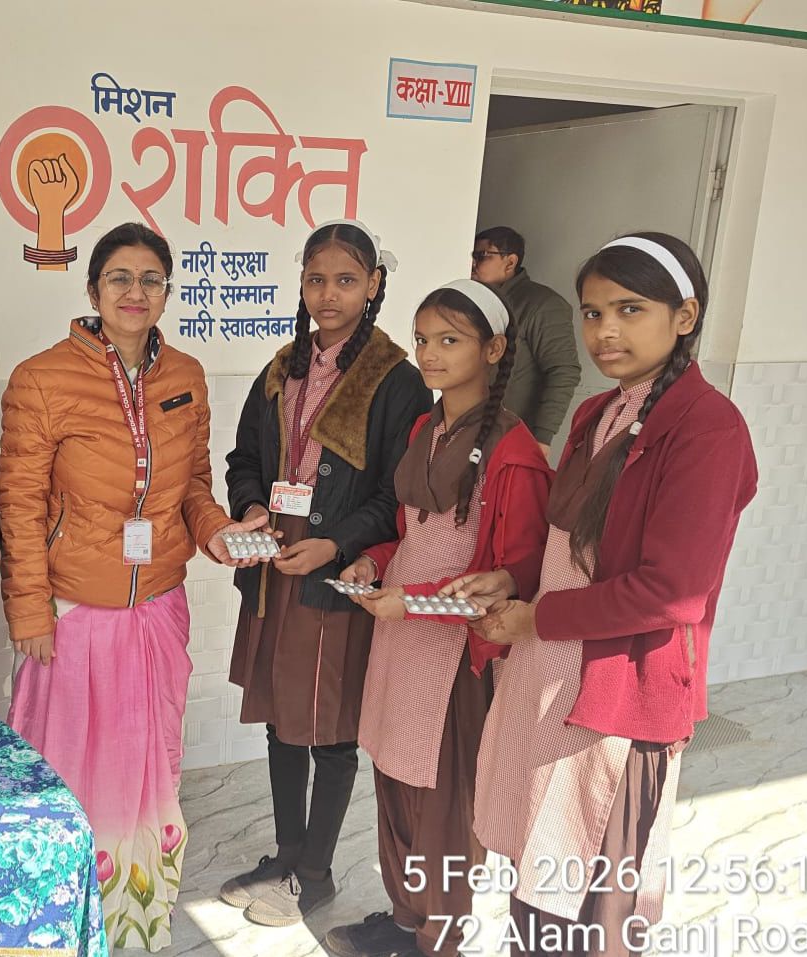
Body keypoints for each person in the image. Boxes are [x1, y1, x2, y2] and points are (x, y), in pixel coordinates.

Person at [445, 233, 757, 956]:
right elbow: (569, 544)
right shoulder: (597, 414)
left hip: (616, 696)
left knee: (588, 906)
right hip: (549, 677)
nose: (604, 331)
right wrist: (515, 581)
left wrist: (537, 615)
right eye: (591, 313)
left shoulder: (708, 428)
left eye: (629, 308)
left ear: (685, 316)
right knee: (535, 879)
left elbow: (672, 592)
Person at [0, 222, 267, 952]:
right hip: (75, 612)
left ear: (165, 292)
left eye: (151, 279)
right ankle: (54, 910)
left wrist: (221, 534)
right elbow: (18, 505)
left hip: (158, 607)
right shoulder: (42, 377)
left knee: (149, 776)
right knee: (68, 771)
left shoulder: (184, 373)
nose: (135, 291)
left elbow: (195, 489)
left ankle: (132, 918)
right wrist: (29, 607)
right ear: (93, 289)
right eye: (120, 277)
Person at [323, 279, 550, 957]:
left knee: (445, 802)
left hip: (455, 656)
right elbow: (410, 532)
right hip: (399, 636)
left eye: (449, 340)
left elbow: (506, 581)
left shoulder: (515, 453)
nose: (429, 353)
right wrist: (374, 561)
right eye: (423, 339)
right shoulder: (427, 428)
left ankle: (437, 937)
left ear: (494, 348)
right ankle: (401, 916)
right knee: (393, 775)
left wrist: (412, 600)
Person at [222, 220, 431, 928]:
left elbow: (396, 493)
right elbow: (244, 456)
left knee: (331, 727)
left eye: (346, 279)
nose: (328, 294)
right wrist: (251, 506)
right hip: (276, 559)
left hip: (332, 566)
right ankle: (286, 853)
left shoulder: (398, 380)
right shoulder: (283, 364)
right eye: (316, 279)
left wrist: (336, 542)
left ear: (374, 284)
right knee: (285, 713)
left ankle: (316, 872)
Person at [472, 226, 581, 456]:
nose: (473, 263)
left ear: (510, 262)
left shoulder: (543, 304)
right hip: (471, 431)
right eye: (470, 255)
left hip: (513, 436)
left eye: (481, 255)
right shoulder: (476, 302)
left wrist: (542, 437)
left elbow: (563, 371)